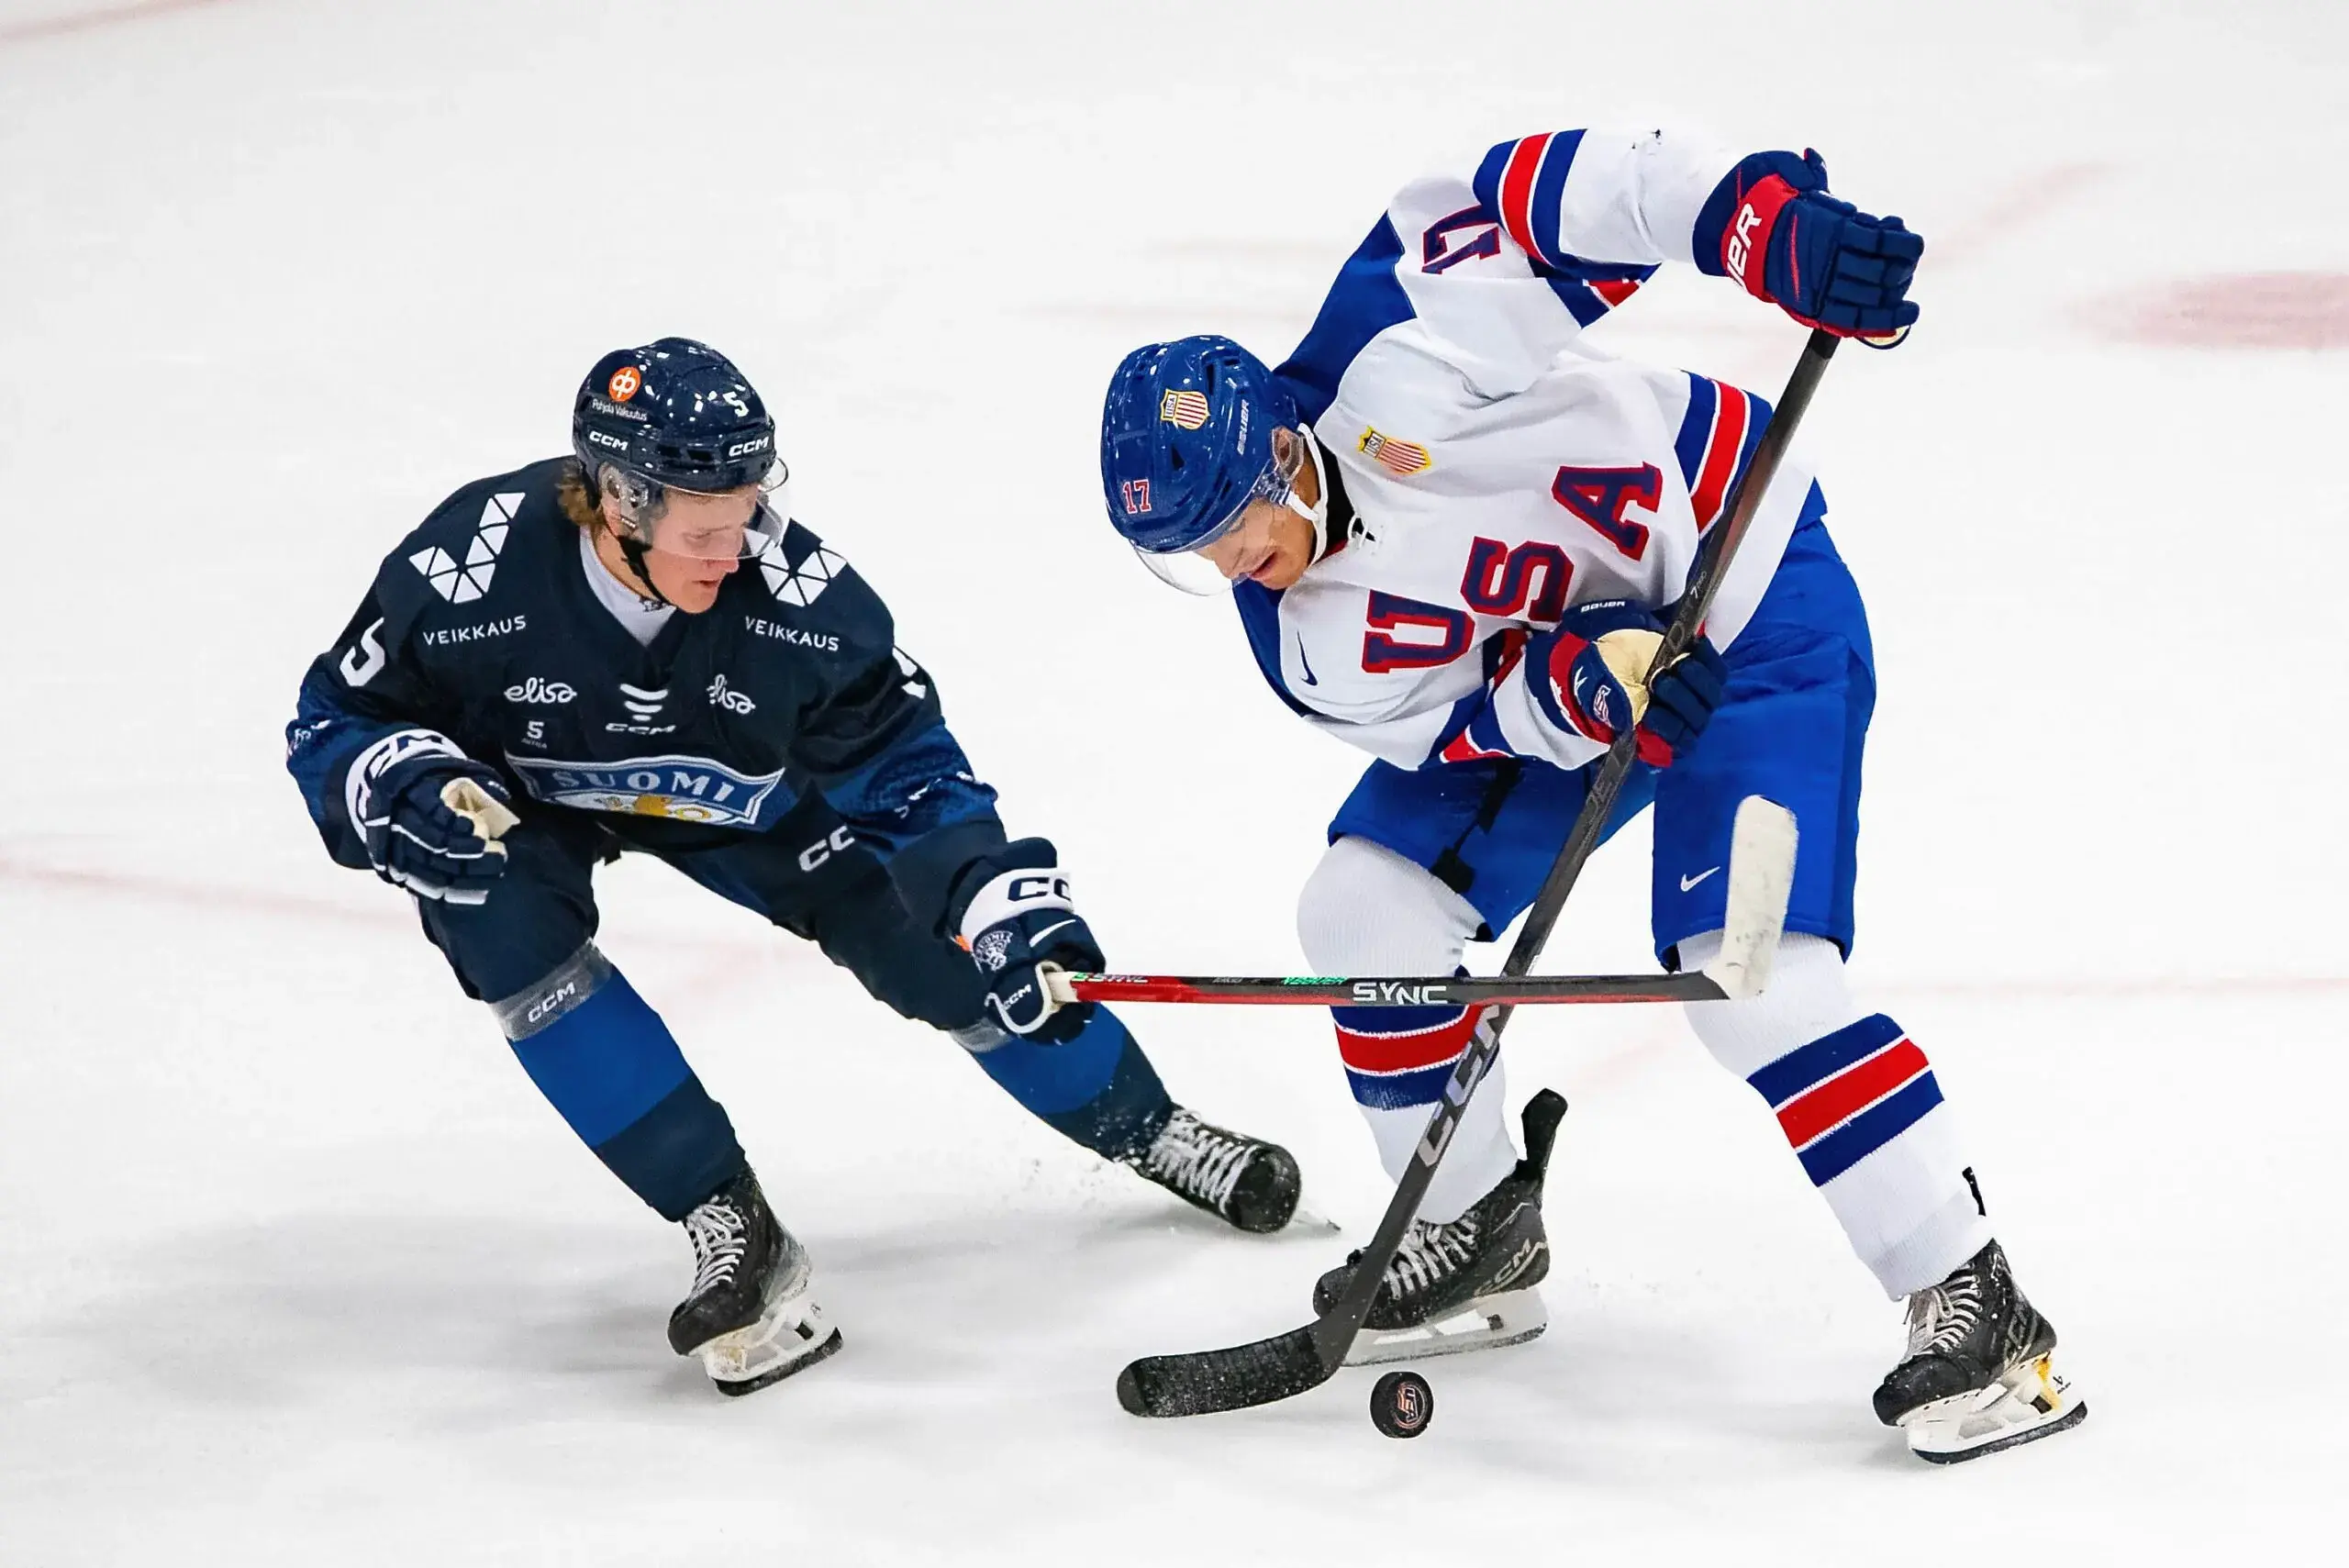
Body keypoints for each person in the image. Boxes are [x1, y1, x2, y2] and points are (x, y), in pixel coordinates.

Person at [1094, 128, 2081, 1462]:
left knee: (1751, 974)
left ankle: (1976, 1296)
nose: (1233, 569)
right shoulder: (1308, 649)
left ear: (1278, 443)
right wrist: (1580, 692)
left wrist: (1761, 227)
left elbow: (1572, 196)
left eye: (1230, 526)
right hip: (1603, 664)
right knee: (1363, 907)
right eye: (1191, 556)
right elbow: (1476, 721)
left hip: (1752, 580)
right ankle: (1475, 1226)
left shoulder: (1398, 340)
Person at [286, 338, 1301, 1396]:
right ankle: (727, 1215)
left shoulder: (802, 599)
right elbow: (334, 717)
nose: (737, 548)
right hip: (530, 800)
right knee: (489, 912)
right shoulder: (469, 561)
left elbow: (914, 777)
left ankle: (1154, 1127)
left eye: (750, 509)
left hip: (758, 805)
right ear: (620, 502)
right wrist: (387, 781)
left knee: (944, 958)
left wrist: (991, 896)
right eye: (706, 527)